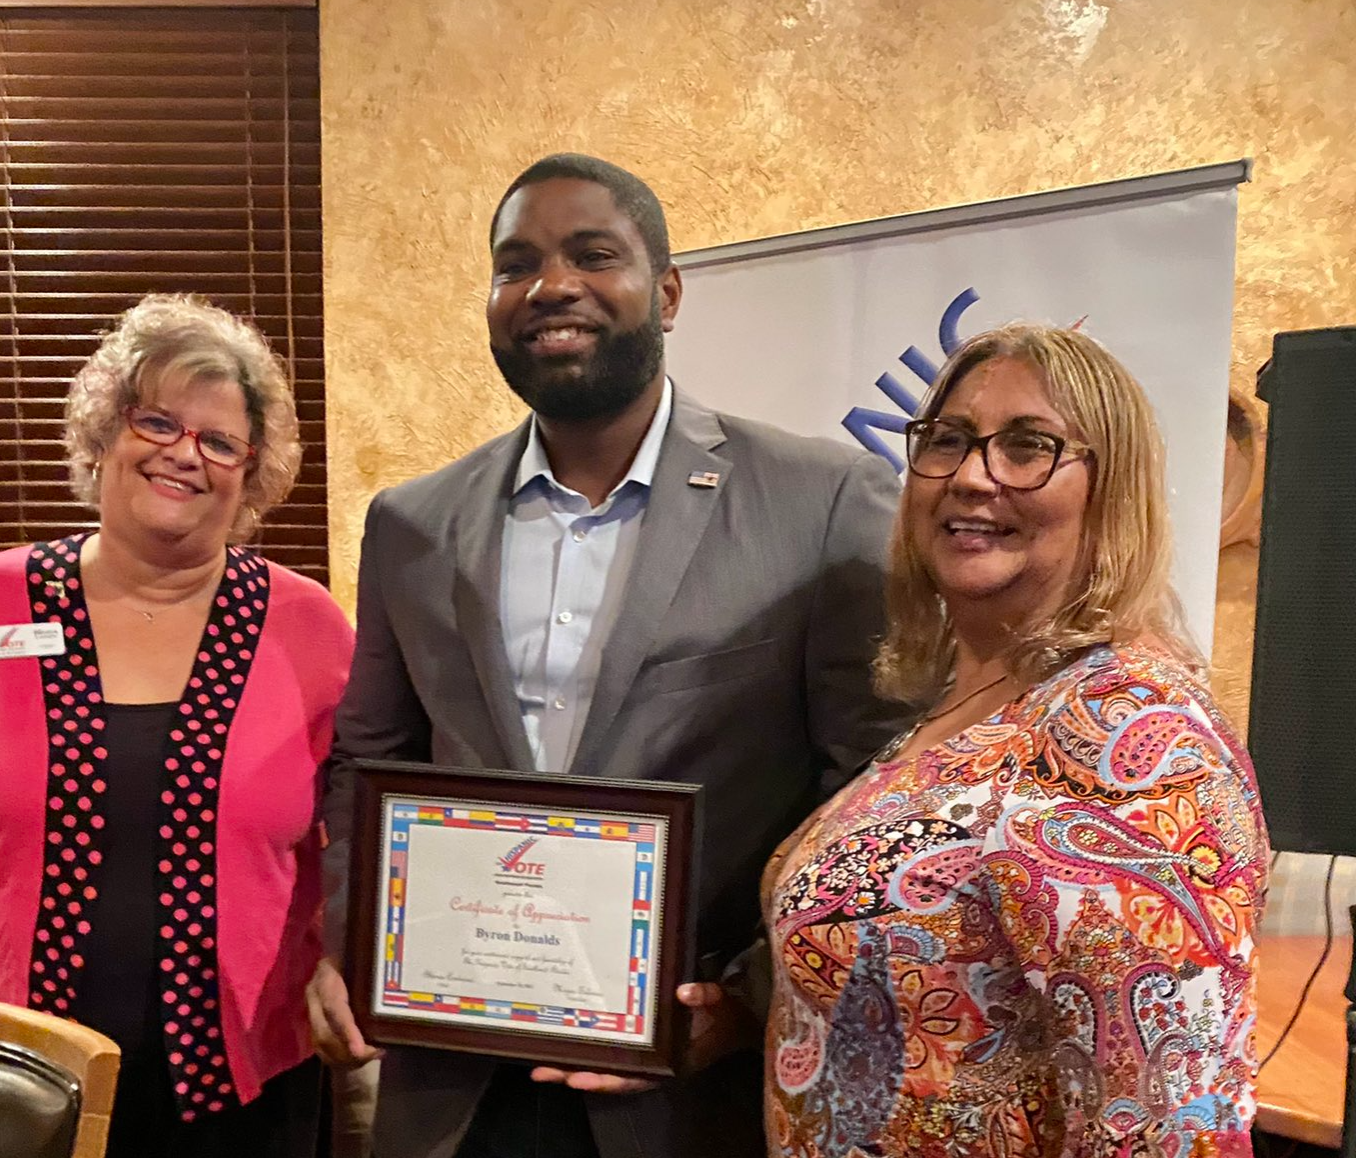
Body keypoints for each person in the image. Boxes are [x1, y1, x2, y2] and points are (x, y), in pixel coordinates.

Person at [307, 153, 910, 1158]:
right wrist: (352, 942)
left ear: (665, 293)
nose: (551, 286)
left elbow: (874, 796)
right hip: (454, 1081)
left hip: (684, 1086)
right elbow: (368, 758)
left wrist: (748, 998)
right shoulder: (412, 523)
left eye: (592, 255)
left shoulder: (823, 502)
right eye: (516, 265)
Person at [0, 294, 355, 1158]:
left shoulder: (309, 626)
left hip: (245, 1090)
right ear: (104, 434)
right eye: (156, 421)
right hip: (14, 1085)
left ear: (252, 470)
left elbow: (355, 831)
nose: (183, 453)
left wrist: (350, 962)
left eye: (220, 441)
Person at [762, 323, 1268, 1157]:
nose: (971, 476)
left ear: (1110, 488)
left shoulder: (1127, 732)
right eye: (948, 440)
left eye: (1028, 446)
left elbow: (1164, 1124)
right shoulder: (973, 701)